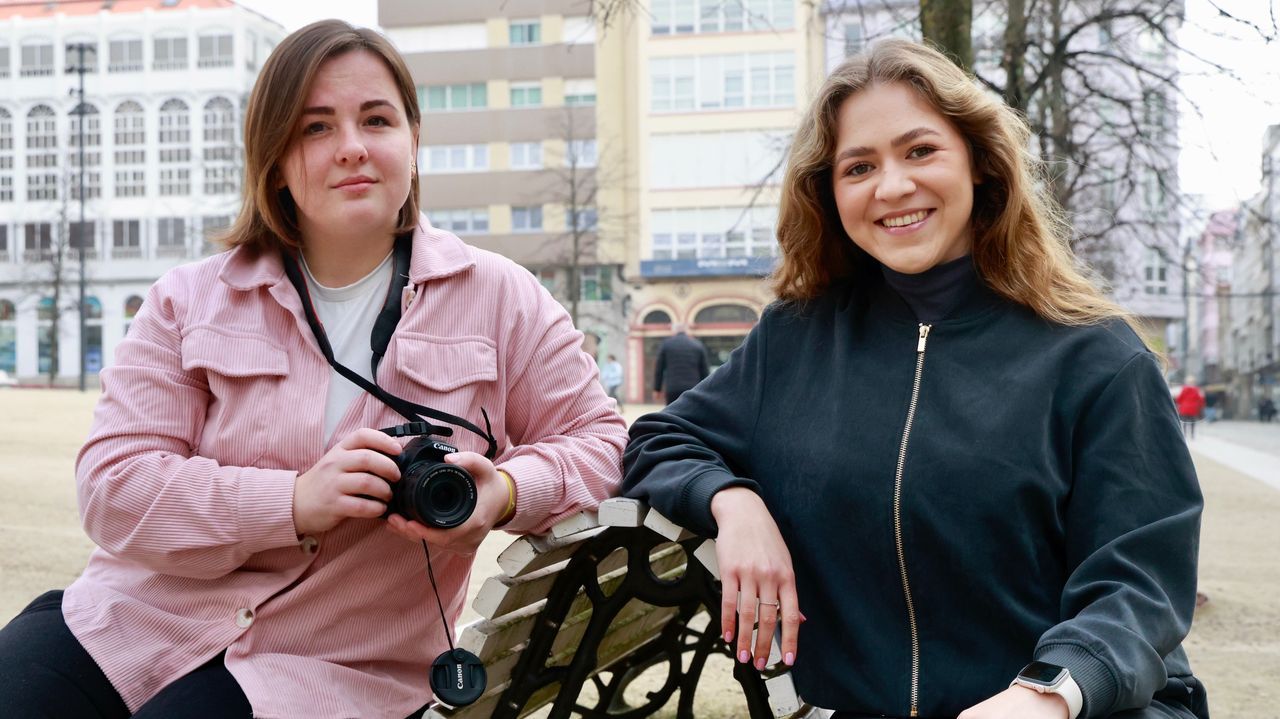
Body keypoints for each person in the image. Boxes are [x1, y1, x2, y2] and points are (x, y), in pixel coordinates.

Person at [0, 20, 626, 719]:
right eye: (316, 127)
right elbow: (113, 488)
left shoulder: (502, 298)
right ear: (274, 159)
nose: (353, 147)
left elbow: (600, 443)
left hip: (330, 668)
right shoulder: (188, 298)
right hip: (131, 621)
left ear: (413, 141)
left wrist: (505, 490)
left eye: (377, 119)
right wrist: (294, 500)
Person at [624, 39, 1206, 719]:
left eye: (920, 151)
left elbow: (1137, 583)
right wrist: (732, 501)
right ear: (829, 192)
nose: (892, 185)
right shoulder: (797, 337)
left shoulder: (1098, 356)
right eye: (859, 166)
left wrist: (1047, 693)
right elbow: (659, 439)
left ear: (981, 164)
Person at [653, 323, 710, 404]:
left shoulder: (666, 345)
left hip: (672, 388)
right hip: (693, 388)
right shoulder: (697, 345)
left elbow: (659, 369)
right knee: (690, 414)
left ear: (673, 331)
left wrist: (657, 389)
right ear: (686, 331)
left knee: (671, 414)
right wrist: (706, 390)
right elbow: (704, 370)